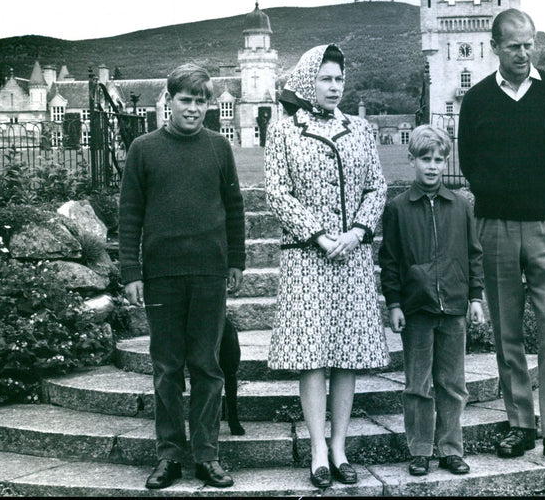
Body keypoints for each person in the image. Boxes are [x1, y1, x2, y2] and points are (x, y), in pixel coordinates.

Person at [458, 9, 545, 465]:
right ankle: (519, 425)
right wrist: (500, 197)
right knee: (507, 330)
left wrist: (540, 192)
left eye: (529, 43)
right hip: (496, 228)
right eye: (514, 45)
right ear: (496, 46)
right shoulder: (476, 102)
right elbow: (469, 162)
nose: (523, 52)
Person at [265, 44, 389, 489]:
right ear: (308, 82)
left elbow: (377, 187)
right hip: (307, 256)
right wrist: (319, 235)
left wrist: (357, 232)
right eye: (325, 79)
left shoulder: (359, 129)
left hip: (352, 255)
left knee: (347, 353)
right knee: (313, 355)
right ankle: (318, 448)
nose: (334, 87)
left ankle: (340, 446)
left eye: (339, 79)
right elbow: (277, 192)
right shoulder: (283, 130)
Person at [119, 63, 245, 489]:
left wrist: (236, 262)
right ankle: (169, 456)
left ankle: (207, 456)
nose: (193, 108)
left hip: (209, 273)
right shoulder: (143, 148)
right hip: (161, 276)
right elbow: (129, 215)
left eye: (201, 101)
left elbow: (234, 209)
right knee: (167, 367)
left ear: (209, 105)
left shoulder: (218, 148)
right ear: (169, 101)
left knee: (207, 366)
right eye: (186, 100)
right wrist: (131, 271)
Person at [379, 125, 485, 477]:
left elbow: (474, 255)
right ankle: (420, 449)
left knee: (453, 384)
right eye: (425, 159)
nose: (433, 166)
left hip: (454, 306)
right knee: (417, 384)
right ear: (412, 161)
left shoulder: (460, 205)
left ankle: (451, 449)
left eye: (439, 159)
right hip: (417, 309)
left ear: (446, 162)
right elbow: (389, 260)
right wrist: (393, 303)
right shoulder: (397, 208)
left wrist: (475, 297)